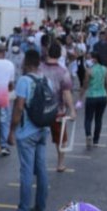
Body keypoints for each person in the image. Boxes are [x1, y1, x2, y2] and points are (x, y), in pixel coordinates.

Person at [6, 50, 53, 211]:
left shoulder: (24, 81)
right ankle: (40, 207)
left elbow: (19, 107)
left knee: (26, 171)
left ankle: (23, 210)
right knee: (41, 169)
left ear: (26, 62)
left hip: (27, 132)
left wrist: (11, 131)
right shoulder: (46, 80)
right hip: (42, 129)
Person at [40, 43, 76, 172]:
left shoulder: (39, 68)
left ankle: (38, 163)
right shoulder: (63, 71)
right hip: (58, 110)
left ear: (48, 52)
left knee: (38, 137)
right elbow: (66, 93)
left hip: (40, 110)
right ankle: (60, 164)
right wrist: (72, 110)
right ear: (60, 55)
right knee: (61, 139)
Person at [82, 49, 107, 149]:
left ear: (94, 59)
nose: (88, 60)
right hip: (102, 96)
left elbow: (85, 85)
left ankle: (88, 135)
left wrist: (80, 98)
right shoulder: (105, 69)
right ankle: (96, 140)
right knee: (98, 119)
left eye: (89, 58)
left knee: (88, 118)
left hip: (91, 96)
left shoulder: (89, 71)